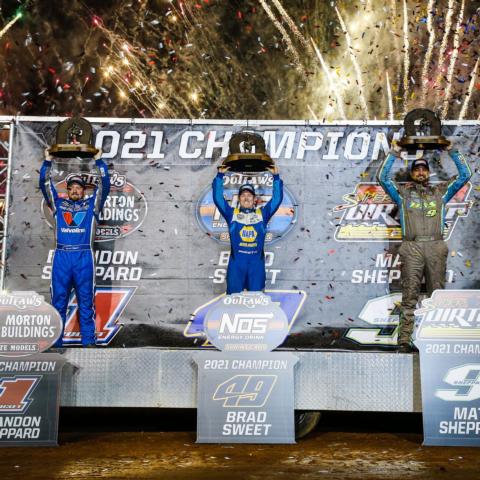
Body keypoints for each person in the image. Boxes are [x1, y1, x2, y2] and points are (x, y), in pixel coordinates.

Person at [377, 141, 472, 351]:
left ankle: (436, 339)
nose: (420, 172)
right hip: (411, 247)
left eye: (423, 169)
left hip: (436, 246)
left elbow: (465, 175)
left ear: (428, 173)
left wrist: (453, 150)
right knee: (409, 295)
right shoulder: (402, 194)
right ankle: (404, 340)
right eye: (417, 169)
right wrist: (394, 152)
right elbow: (382, 178)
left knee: (437, 295)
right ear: (412, 174)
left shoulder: (441, 192)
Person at [39, 148, 110, 347]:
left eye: (79, 187)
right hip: (62, 257)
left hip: (84, 257)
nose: (76, 190)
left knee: (86, 305)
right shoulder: (58, 204)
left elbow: (104, 185)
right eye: (72, 187)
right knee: (58, 304)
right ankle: (56, 346)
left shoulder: (92, 205)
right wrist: (47, 161)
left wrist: (99, 160)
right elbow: (45, 185)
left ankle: (89, 345)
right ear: (68, 190)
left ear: (84, 190)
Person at [213, 165, 283, 294]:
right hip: (236, 265)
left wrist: (276, 177)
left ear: (254, 199)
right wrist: (220, 176)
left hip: (256, 266)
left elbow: (277, 199)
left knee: (256, 302)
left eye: (249, 195)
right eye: (243, 195)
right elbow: (218, 199)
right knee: (233, 301)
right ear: (239, 199)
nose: (246, 198)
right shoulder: (231, 214)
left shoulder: (262, 214)